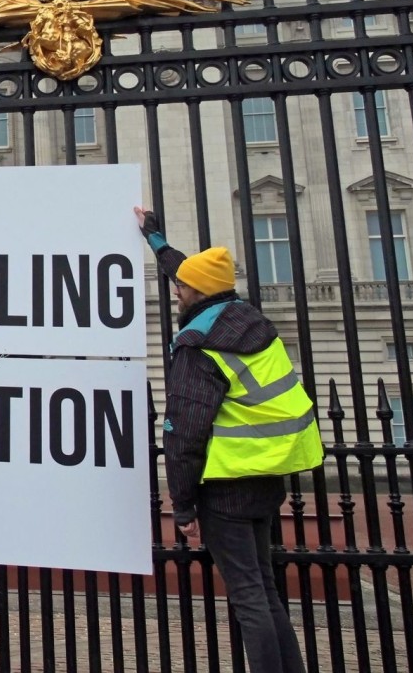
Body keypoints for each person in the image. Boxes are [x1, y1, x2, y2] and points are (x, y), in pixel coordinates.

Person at [135, 208, 323, 673]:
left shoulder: (199, 342)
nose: (175, 291)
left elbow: (184, 432)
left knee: (247, 598)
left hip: (226, 483)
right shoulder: (247, 318)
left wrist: (182, 506)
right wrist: (156, 239)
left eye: (180, 287)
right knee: (263, 588)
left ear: (195, 293)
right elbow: (194, 276)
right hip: (268, 472)